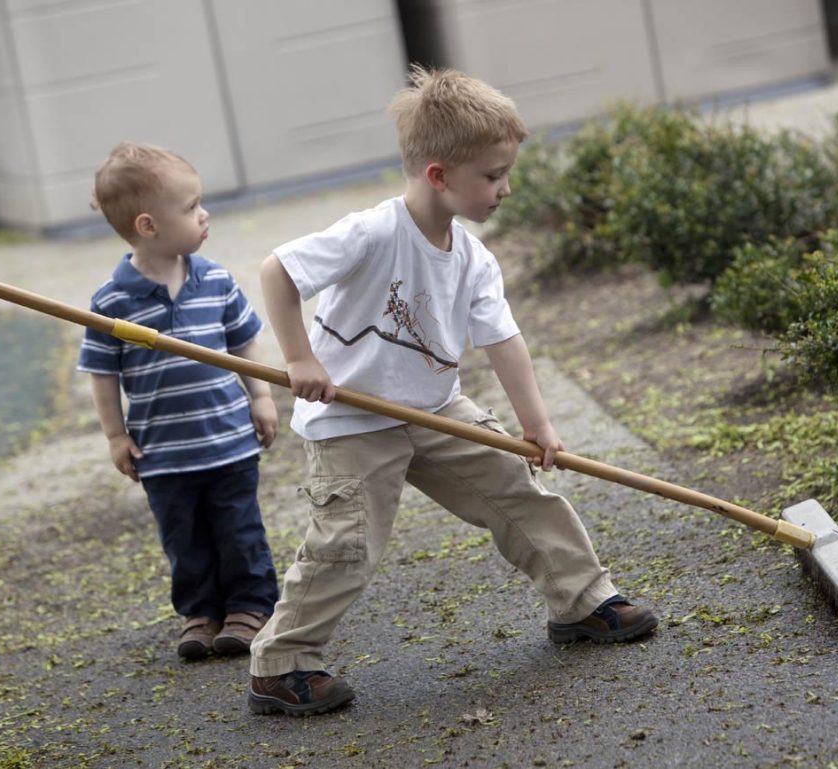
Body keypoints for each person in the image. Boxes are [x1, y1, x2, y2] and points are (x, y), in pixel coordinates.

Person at [247, 67, 658, 716]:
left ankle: (582, 600)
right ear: (439, 175)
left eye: (506, 173)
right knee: (345, 545)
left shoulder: (472, 257)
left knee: (518, 490)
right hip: (352, 418)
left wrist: (537, 427)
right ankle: (282, 662)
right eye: (492, 176)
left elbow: (505, 341)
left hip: (436, 408)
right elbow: (278, 269)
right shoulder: (374, 232)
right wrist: (297, 355)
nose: (505, 188)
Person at [77, 143, 281, 660]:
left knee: (239, 527)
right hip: (163, 453)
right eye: (190, 207)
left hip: (227, 440)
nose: (203, 213)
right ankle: (201, 611)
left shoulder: (214, 280)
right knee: (183, 536)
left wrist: (260, 396)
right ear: (148, 226)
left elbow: (242, 342)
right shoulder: (111, 301)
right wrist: (115, 434)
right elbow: (102, 373)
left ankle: (250, 606)